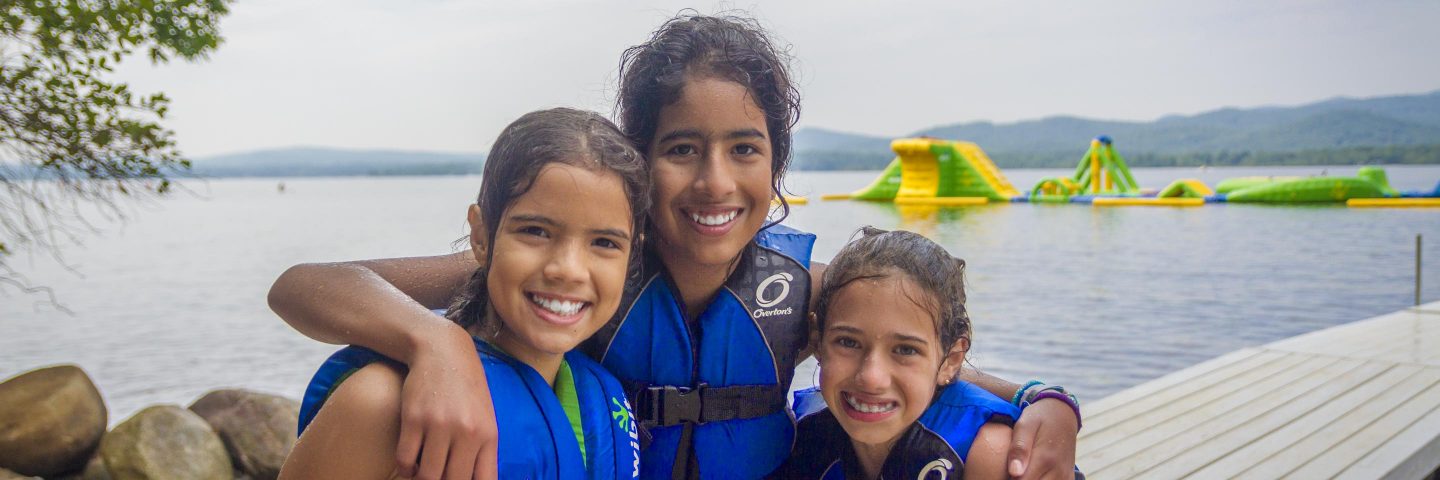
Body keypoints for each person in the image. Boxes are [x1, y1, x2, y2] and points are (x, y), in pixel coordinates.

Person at [269, 12, 1080, 480]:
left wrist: (1043, 396)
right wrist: (431, 337)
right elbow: (307, 286)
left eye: (746, 150)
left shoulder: (800, 292)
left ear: (777, 166)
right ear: (638, 163)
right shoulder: (593, 272)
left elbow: (917, 353)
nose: (716, 182)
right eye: (683, 148)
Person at [278, 108, 648, 479]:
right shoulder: (382, 402)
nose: (567, 269)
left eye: (604, 242)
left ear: (632, 255)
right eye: (535, 231)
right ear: (481, 237)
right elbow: (299, 286)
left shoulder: (598, 399)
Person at [773, 227, 1018, 479]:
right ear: (817, 340)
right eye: (848, 342)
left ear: (951, 360)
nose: (871, 377)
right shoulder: (805, 434)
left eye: (905, 350)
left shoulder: (988, 451)